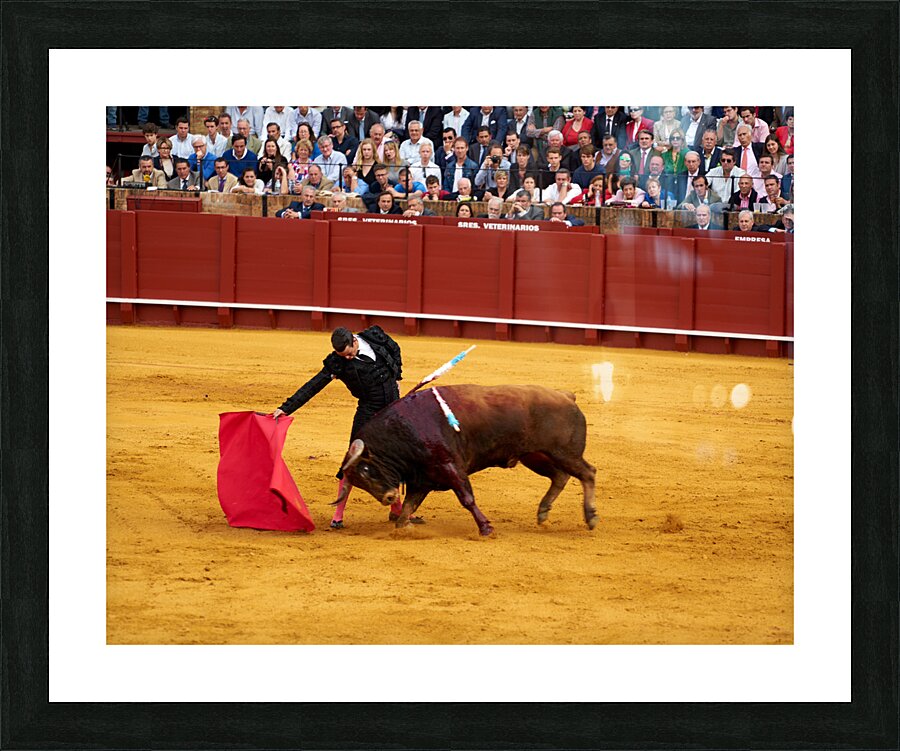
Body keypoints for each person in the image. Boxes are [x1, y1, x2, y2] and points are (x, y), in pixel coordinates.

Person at [271, 326, 413, 529]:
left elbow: (395, 349)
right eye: (343, 355)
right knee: (353, 461)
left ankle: (396, 509)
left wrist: (396, 376)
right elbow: (314, 385)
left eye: (349, 353)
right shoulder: (337, 362)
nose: (348, 358)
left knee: (395, 458)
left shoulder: (374, 337)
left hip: (393, 408)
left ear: (354, 341)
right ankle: (338, 515)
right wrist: (286, 407)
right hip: (368, 411)